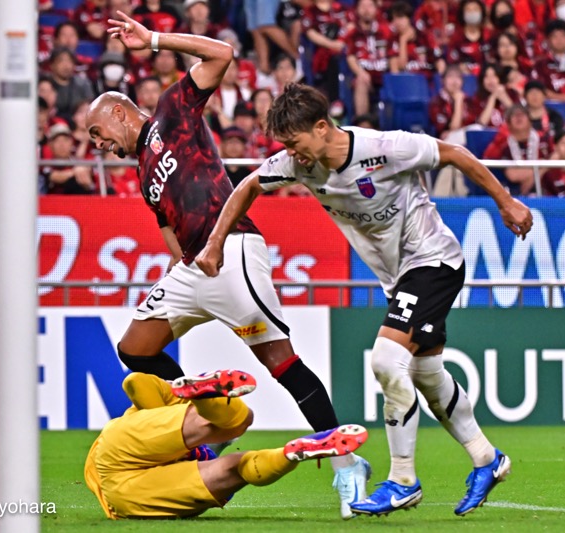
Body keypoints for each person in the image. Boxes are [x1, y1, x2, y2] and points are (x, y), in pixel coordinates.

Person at [196, 82, 532, 517]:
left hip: (433, 261)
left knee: (386, 361)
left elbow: (453, 153)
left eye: (295, 143)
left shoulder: (384, 147)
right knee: (427, 375)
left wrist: (505, 202)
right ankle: (487, 459)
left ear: (321, 127)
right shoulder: (300, 164)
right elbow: (246, 187)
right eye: (285, 146)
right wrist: (215, 244)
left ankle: (402, 480)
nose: (291, 154)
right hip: (399, 278)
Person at [85, 12, 370, 519]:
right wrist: (179, 274)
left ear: (121, 113)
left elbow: (221, 53)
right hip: (193, 267)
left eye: (98, 131)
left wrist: (151, 40)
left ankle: (350, 466)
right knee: (136, 347)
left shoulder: (171, 113)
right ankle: (197, 423)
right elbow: (171, 235)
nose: (97, 143)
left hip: (232, 249)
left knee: (281, 363)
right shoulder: (144, 171)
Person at [84, 369, 368, 519]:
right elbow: (134, 382)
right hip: (145, 491)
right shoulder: (195, 430)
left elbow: (134, 382)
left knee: (223, 429)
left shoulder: (176, 406)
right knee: (238, 466)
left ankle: (292, 454)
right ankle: (288, 455)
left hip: (120, 484)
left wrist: (160, 406)